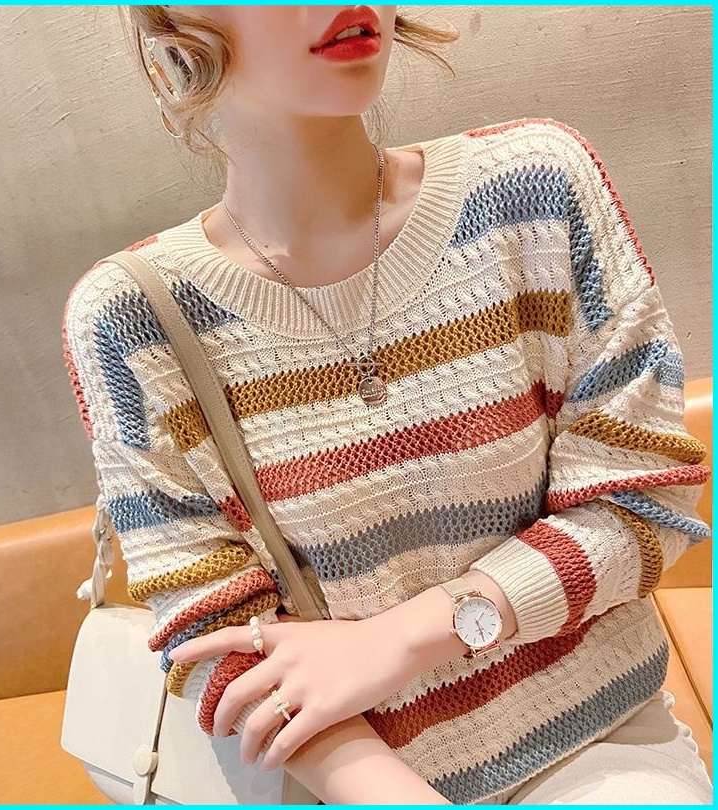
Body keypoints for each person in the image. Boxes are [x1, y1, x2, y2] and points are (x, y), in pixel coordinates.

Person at [62, 6, 713, 805]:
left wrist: (402, 639)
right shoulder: (131, 321)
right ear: (178, 30)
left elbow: (642, 498)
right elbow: (215, 633)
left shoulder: (533, 191)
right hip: (343, 782)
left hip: (594, 744)